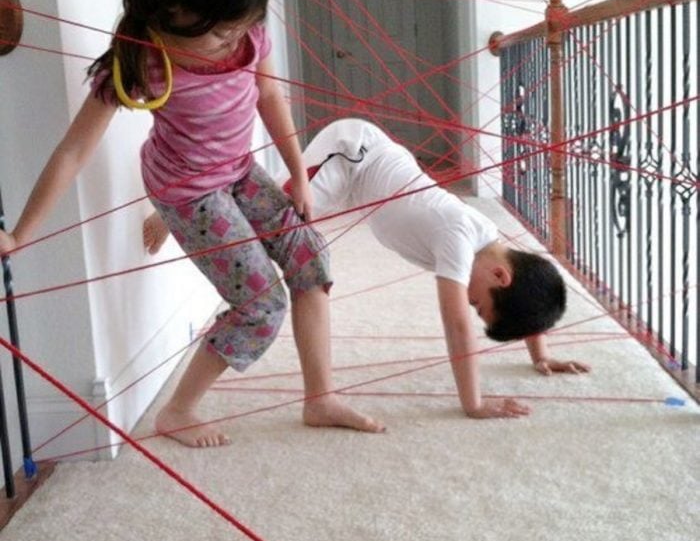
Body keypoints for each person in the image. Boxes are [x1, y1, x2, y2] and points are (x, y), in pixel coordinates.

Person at [0, 0, 384, 448]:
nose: (233, 42)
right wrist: (21, 233)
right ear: (178, 9)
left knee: (311, 260)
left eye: (239, 29)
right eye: (221, 32)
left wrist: (297, 172)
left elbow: (269, 97)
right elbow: (73, 150)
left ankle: (320, 397)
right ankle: (178, 410)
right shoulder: (142, 59)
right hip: (188, 191)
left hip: (239, 169)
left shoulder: (249, 35)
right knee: (261, 303)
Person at [146, 118, 591, 420]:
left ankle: (193, 198)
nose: (470, 306)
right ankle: (177, 204)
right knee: (279, 213)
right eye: (480, 305)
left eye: (476, 310)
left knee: (288, 229)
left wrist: (541, 352)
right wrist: (472, 403)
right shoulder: (460, 237)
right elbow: (455, 324)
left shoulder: (490, 254)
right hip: (356, 153)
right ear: (498, 276)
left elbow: (531, 289)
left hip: (363, 183)